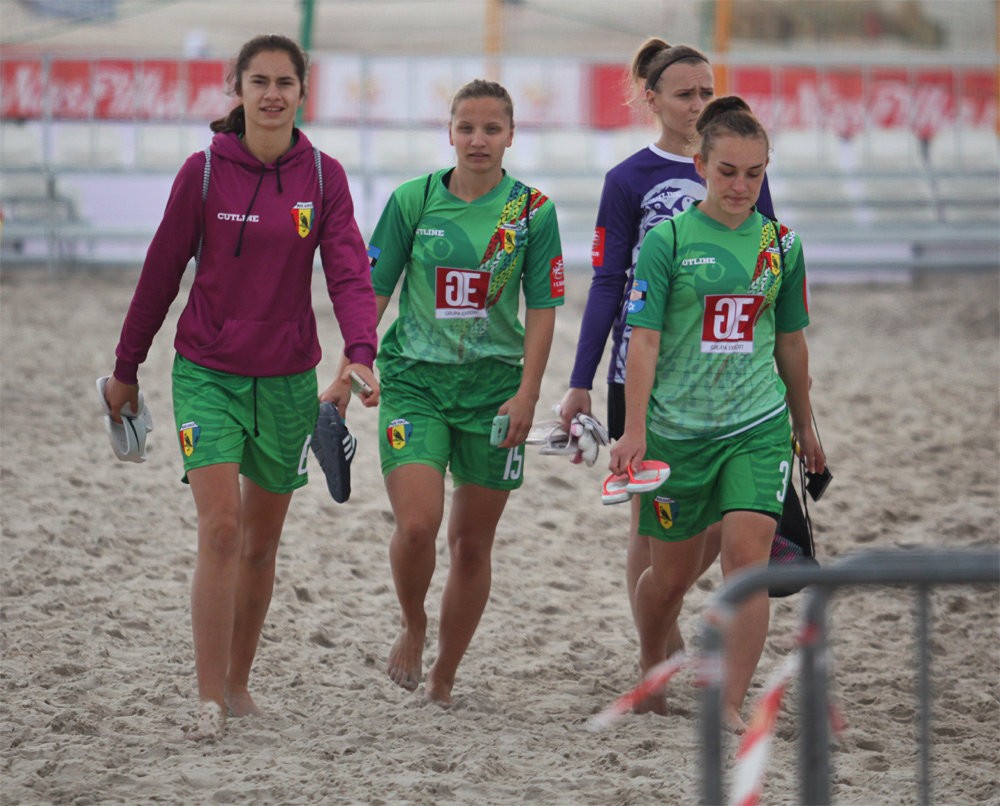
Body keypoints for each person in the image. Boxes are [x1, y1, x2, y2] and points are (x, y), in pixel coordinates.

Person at [99, 34, 379, 740]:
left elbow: (349, 270)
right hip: (207, 372)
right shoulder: (201, 174)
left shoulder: (324, 177)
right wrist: (127, 369)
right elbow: (160, 274)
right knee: (222, 528)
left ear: (302, 91)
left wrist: (360, 351)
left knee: (260, 542)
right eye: (260, 81)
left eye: (285, 82)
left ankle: (238, 682)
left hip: (287, 380)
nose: (272, 94)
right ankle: (208, 698)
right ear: (238, 88)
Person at [608, 96, 825, 731]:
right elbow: (644, 342)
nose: (740, 185)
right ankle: (653, 659)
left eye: (754, 173)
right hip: (678, 432)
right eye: (727, 171)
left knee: (747, 560)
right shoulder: (667, 241)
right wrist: (635, 429)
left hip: (757, 426)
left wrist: (804, 423)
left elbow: (791, 343)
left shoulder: (780, 245)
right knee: (668, 577)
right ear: (701, 165)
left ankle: (728, 702)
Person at [558, 38, 779, 659]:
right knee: (647, 523)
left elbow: (766, 266)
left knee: (725, 518)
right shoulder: (628, 179)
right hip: (645, 371)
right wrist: (580, 380)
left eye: (707, 91)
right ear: (651, 99)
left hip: (730, 374)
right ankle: (655, 651)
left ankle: (664, 615)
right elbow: (608, 283)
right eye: (686, 94)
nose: (699, 103)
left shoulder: (740, 168)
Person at [367, 79, 565, 704]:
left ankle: (445, 674)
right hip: (415, 382)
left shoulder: (531, 212)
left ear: (511, 135)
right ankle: (413, 622)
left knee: (472, 545)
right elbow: (373, 291)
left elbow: (543, 309)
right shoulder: (413, 200)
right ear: (449, 131)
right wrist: (353, 361)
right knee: (417, 525)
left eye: (492, 129)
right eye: (467, 128)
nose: (478, 140)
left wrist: (529, 393)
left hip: (494, 392)